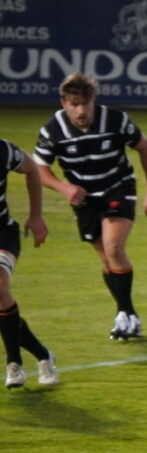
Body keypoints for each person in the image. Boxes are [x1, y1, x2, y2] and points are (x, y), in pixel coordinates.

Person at [33, 72, 147, 341]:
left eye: (85, 105)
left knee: (114, 247)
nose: (80, 111)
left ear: (93, 102)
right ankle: (126, 314)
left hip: (118, 187)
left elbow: (145, 148)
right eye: (74, 105)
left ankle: (126, 313)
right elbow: (39, 169)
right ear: (63, 103)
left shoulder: (115, 120)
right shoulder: (52, 131)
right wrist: (64, 187)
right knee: (105, 257)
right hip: (84, 198)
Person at [0, 140, 58, 389]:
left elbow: (32, 168)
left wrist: (36, 215)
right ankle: (43, 354)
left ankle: (14, 363)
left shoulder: (3, 151)